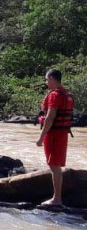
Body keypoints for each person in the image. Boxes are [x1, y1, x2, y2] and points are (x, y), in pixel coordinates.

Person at [36, 68, 74, 206]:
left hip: (54, 134)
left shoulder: (55, 95)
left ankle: (56, 199)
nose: (46, 82)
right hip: (63, 133)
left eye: (47, 79)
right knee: (55, 165)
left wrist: (41, 137)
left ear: (52, 78)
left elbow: (50, 117)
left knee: (54, 166)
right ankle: (57, 197)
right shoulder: (67, 94)